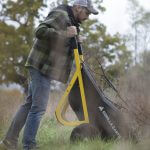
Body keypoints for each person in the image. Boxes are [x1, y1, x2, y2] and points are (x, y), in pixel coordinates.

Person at [0, 0, 98, 149]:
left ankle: (9, 141)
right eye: (87, 13)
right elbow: (39, 31)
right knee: (38, 108)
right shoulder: (60, 15)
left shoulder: (71, 21)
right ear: (78, 8)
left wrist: (75, 39)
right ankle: (29, 145)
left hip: (42, 68)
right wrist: (66, 34)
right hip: (40, 66)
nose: (88, 17)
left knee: (29, 105)